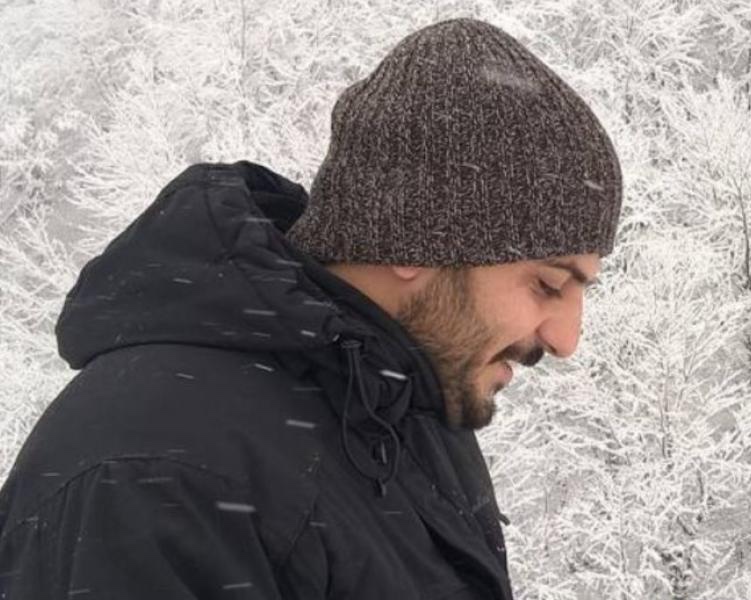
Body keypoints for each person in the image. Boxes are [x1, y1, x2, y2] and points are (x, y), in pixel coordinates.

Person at [0, 16, 621, 599]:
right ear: (415, 240)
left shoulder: (398, 403)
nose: (567, 339)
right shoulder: (150, 477)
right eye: (547, 284)